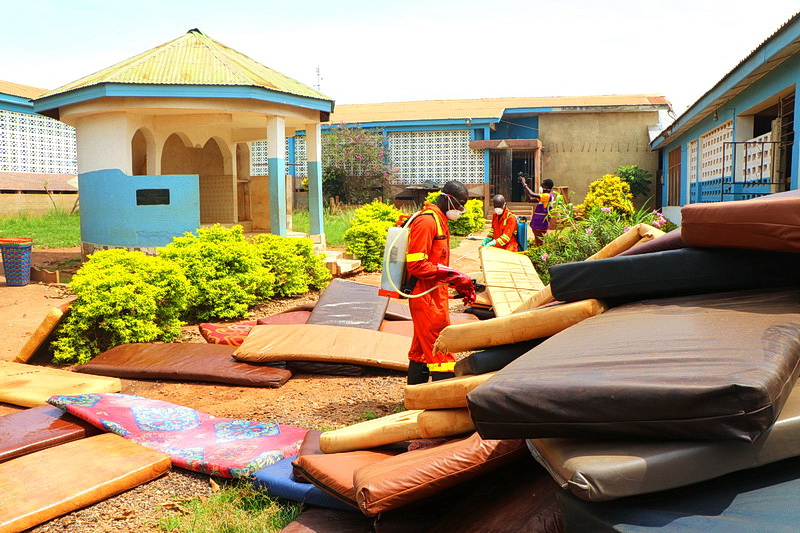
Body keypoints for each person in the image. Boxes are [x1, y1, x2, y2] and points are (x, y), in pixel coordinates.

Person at [404, 180, 476, 385]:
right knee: (440, 347)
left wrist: (456, 281)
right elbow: (417, 265)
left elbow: (437, 264)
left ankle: (414, 397)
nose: (461, 209)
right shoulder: (427, 222)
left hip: (435, 294)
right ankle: (443, 405)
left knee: (420, 349)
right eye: (460, 203)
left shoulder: (439, 221)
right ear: (447, 199)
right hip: (425, 297)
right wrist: (454, 277)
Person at [520, 176, 557, 246]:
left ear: (547, 186)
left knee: (539, 242)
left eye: (543, 184)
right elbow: (530, 200)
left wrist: (524, 184)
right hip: (538, 222)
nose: (541, 185)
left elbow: (532, 194)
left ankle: (540, 254)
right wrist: (526, 188)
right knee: (538, 241)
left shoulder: (547, 196)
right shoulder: (544, 196)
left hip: (540, 223)